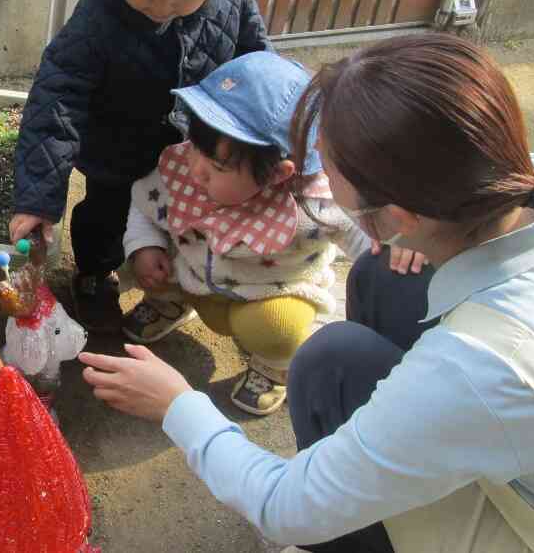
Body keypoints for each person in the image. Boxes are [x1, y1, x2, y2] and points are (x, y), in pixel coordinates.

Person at [80, 34, 534, 552]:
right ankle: (375, 474)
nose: (317, 168)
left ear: (397, 214)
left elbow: (285, 503)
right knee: (378, 283)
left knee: (327, 359)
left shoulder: (484, 367)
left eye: (330, 162)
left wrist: (177, 404)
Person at [11, 0, 271, 333]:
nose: (164, 3)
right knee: (105, 216)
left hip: (199, 149)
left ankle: (177, 287)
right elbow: (57, 102)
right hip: (118, 146)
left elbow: (260, 72)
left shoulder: (232, 3)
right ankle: (96, 274)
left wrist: (268, 143)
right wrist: (38, 198)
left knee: (190, 220)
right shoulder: (99, 17)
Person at [121, 50, 391, 416]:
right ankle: (172, 302)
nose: (197, 168)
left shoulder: (315, 203)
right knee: (154, 262)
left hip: (270, 296)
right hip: (193, 275)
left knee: (276, 326)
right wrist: (144, 245)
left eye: (216, 166)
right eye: (195, 147)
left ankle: (273, 363)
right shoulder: (185, 170)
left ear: (278, 173)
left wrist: (397, 254)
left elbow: (367, 239)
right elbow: (144, 205)